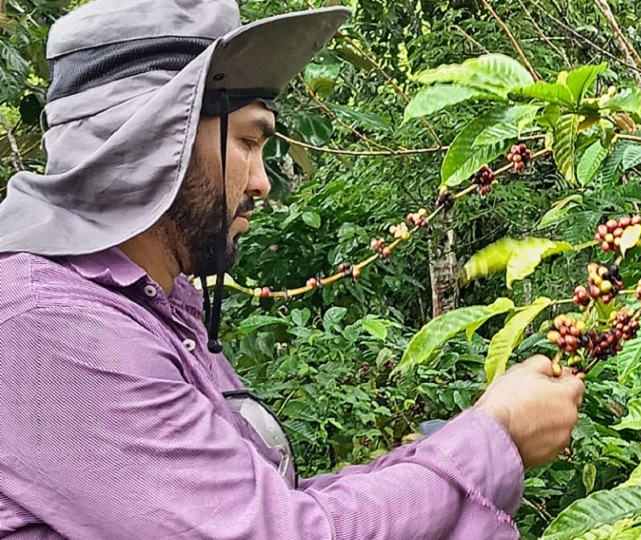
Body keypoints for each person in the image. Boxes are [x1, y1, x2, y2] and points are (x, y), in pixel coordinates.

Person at [0, 1, 585, 538]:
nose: (260, 182)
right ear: (161, 143)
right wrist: (492, 438)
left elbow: (275, 504)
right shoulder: (50, 326)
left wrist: (481, 428)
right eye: (250, 143)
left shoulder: (145, 305)